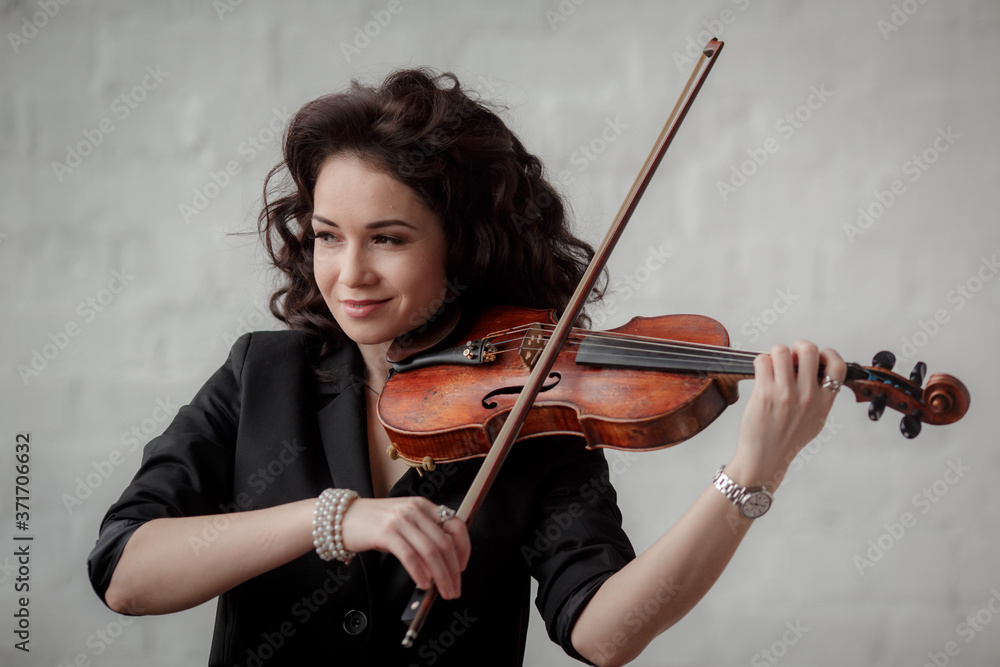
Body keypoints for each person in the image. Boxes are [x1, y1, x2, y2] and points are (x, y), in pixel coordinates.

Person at [88, 68, 846, 667]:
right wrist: (337, 517)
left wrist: (754, 468)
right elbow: (126, 571)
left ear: (464, 243)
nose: (350, 273)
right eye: (327, 236)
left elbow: (607, 631)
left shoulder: (536, 413)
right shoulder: (266, 373)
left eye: (387, 238)